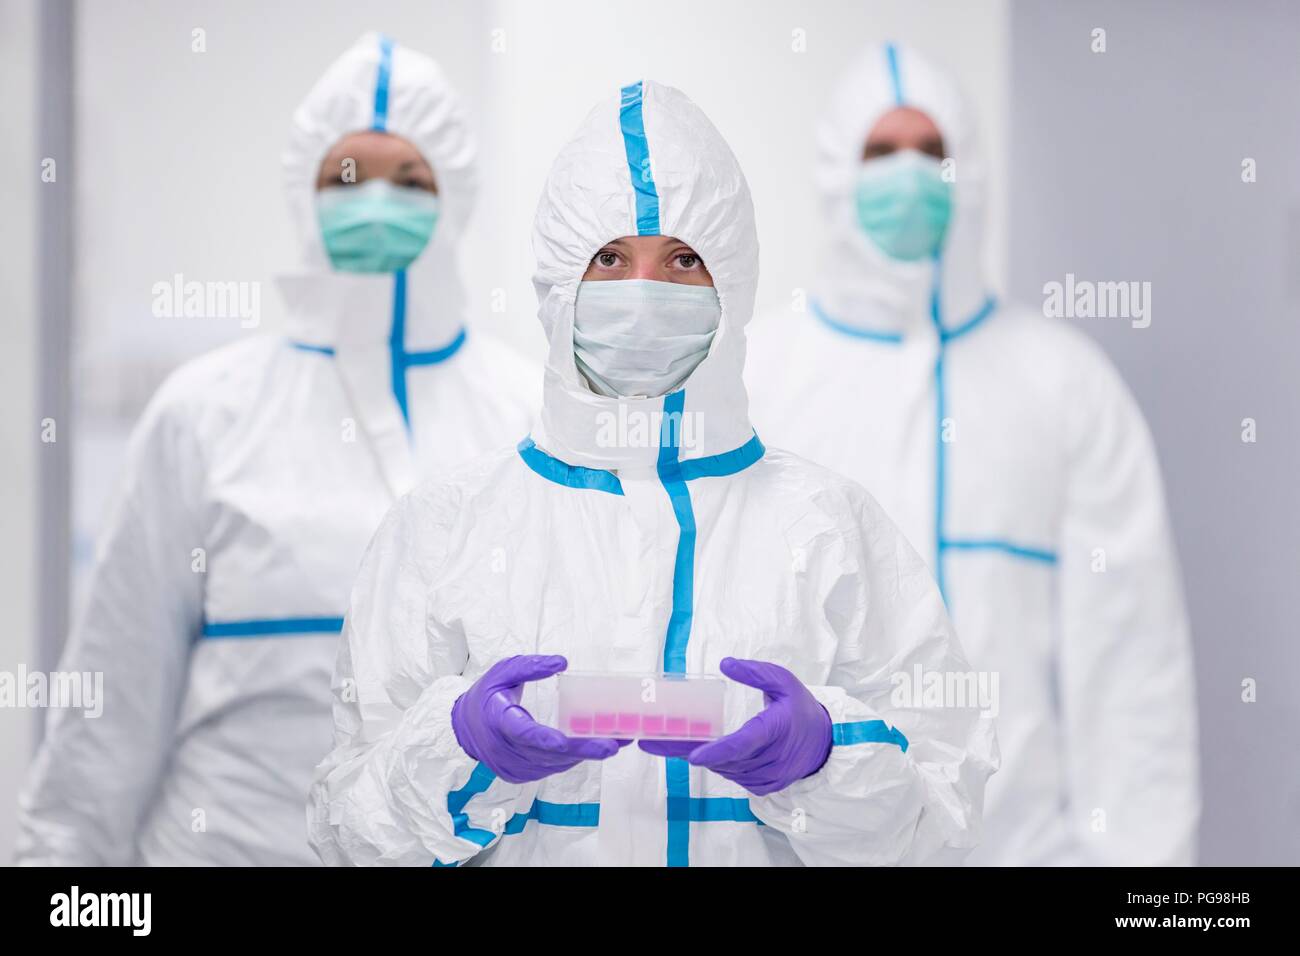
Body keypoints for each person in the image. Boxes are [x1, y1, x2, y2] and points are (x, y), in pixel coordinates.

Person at [308, 78, 997, 867]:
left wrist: (825, 759)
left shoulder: (832, 528)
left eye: (682, 259)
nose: (643, 291)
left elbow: (943, 829)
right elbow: (349, 838)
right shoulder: (443, 528)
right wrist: (459, 748)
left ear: (730, 284)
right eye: (608, 258)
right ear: (558, 283)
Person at [17, 33, 537, 866]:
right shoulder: (205, 414)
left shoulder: (528, 415)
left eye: (410, 179)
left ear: (456, 196)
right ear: (305, 191)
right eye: (347, 177)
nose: (376, 201)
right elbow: (111, 708)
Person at [745, 43, 1199, 865]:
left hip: (1021, 848)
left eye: (933, 152)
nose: (909, 175)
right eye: (882, 152)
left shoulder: (1063, 384)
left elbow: (1132, 669)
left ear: (972, 171)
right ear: (837, 173)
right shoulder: (758, 378)